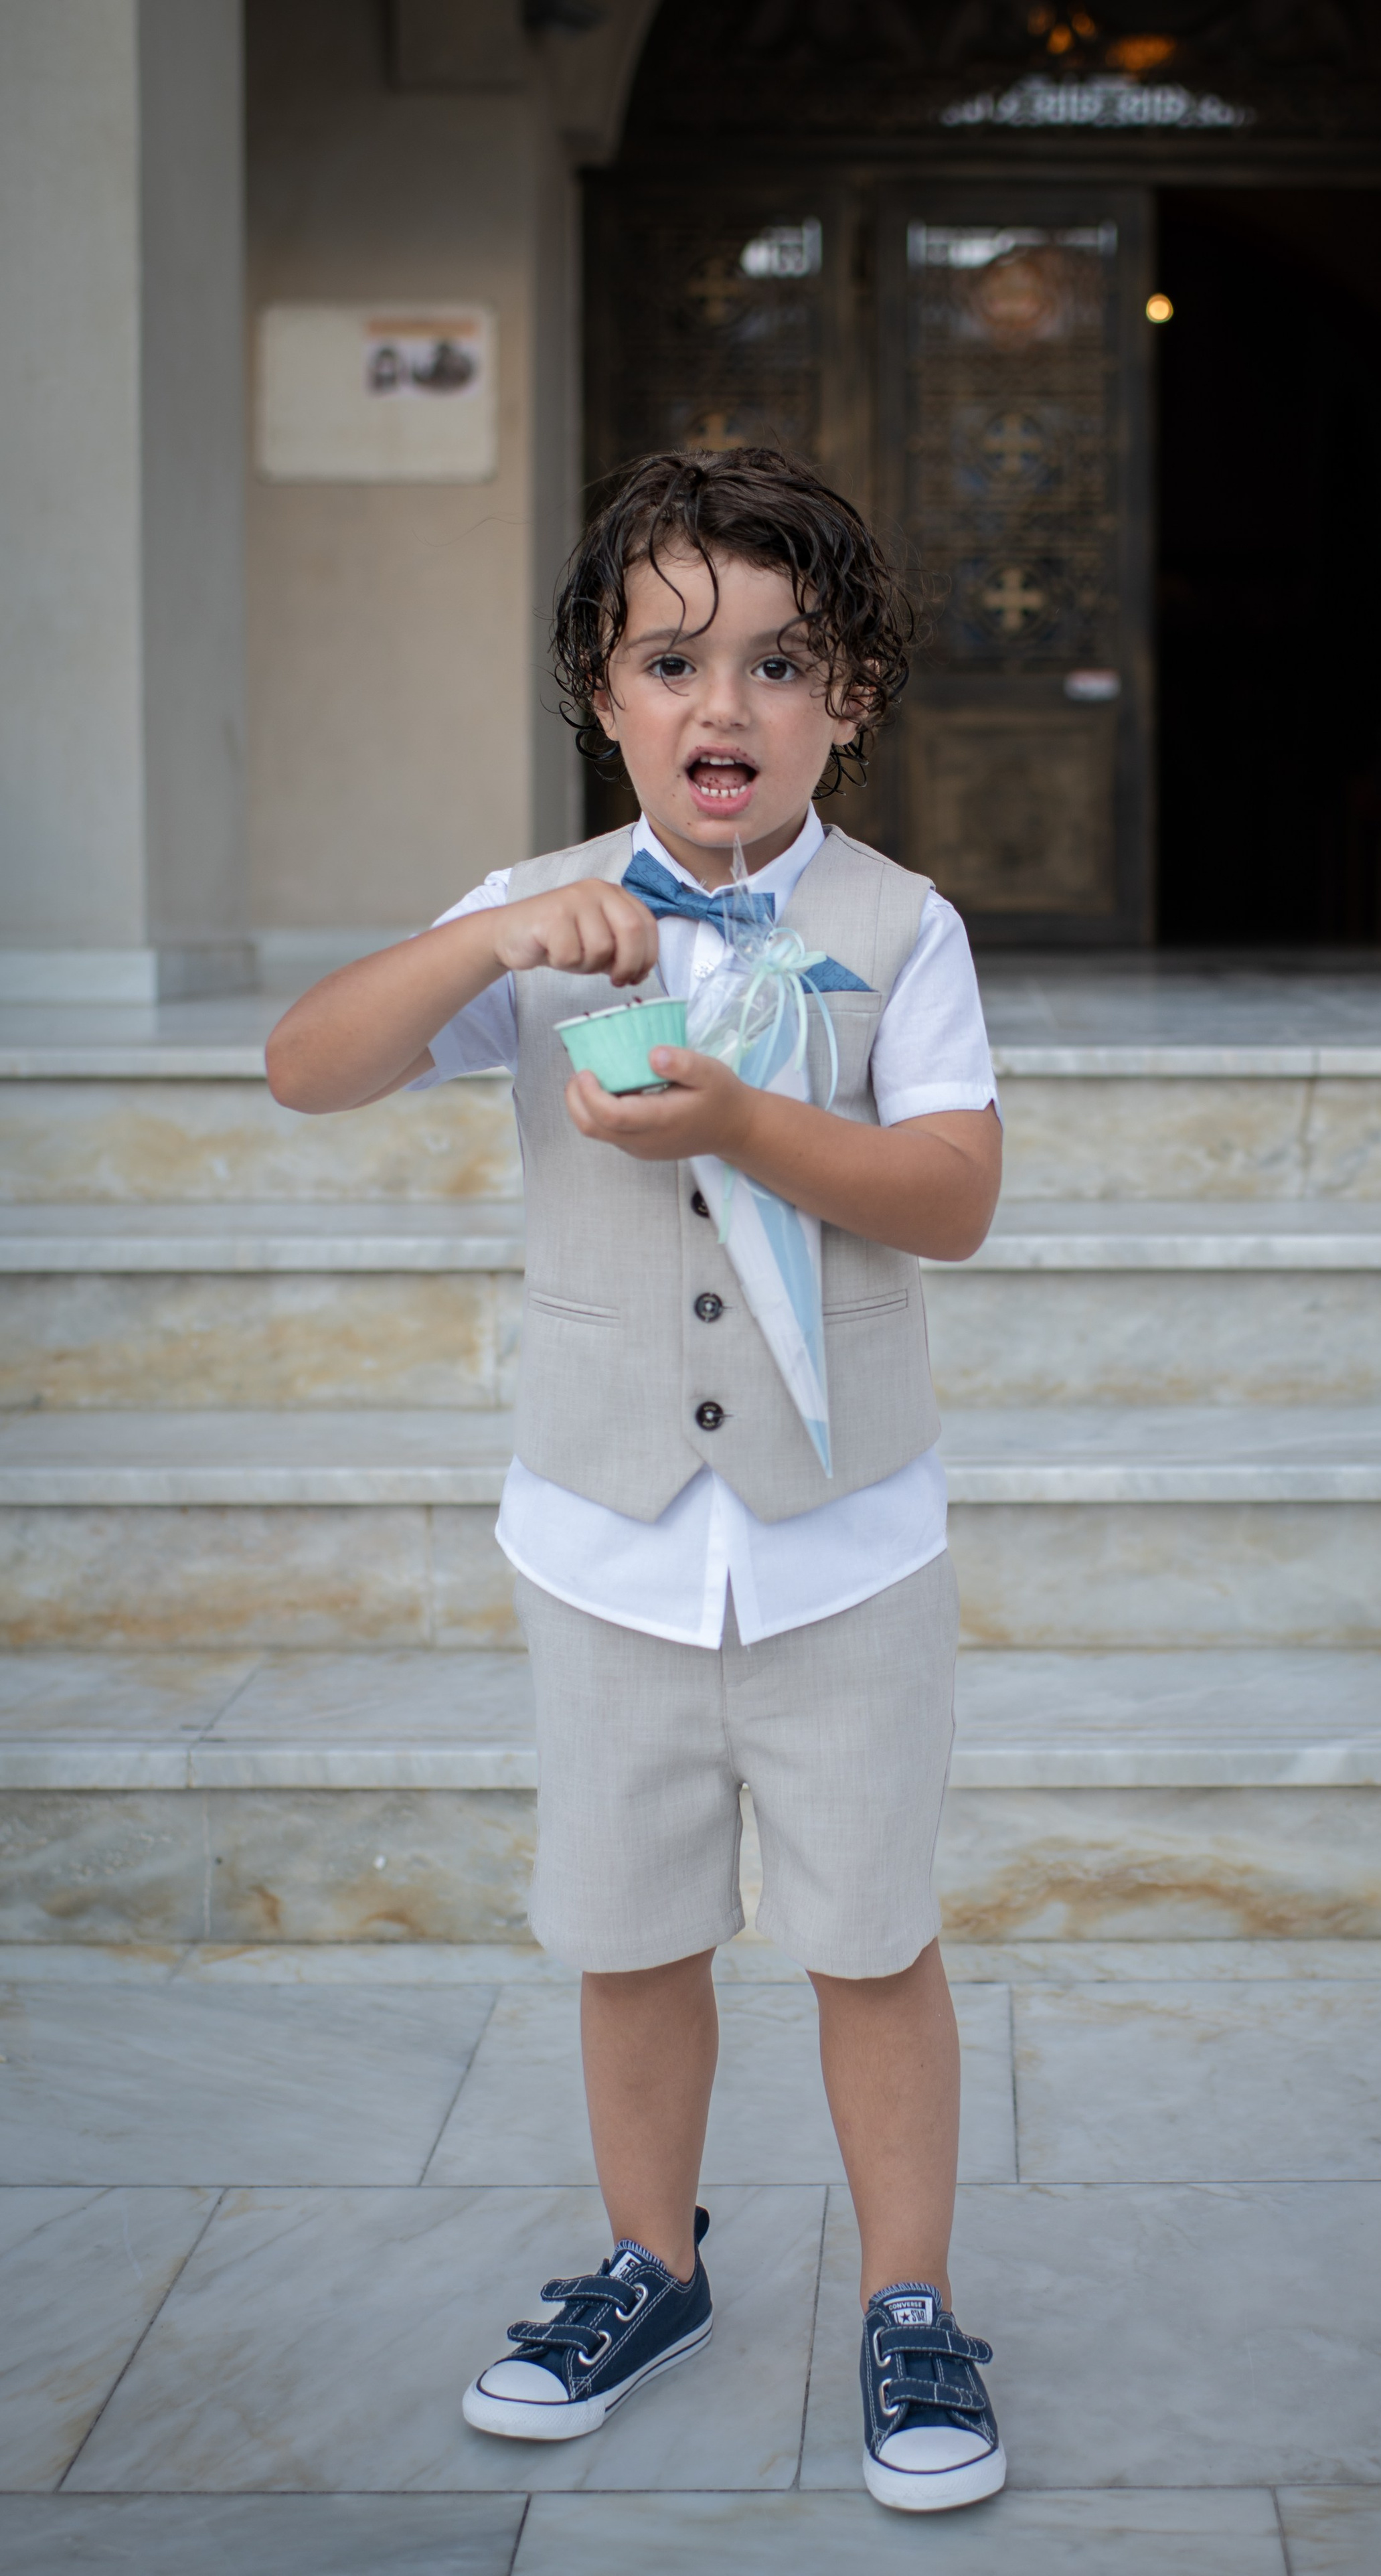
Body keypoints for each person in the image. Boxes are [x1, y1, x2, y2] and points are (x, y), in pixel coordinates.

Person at [266, 447, 1007, 2513]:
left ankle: (912, 2303)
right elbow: (305, 1065)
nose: (726, 708)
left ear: (847, 701)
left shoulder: (902, 926)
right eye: (673, 661)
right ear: (604, 692)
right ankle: (649, 2263)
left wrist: (746, 1126)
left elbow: (951, 1197)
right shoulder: (541, 919)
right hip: (602, 1540)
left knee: (866, 1936)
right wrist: (496, 939)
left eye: (782, 667)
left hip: (846, 1546)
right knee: (630, 1930)